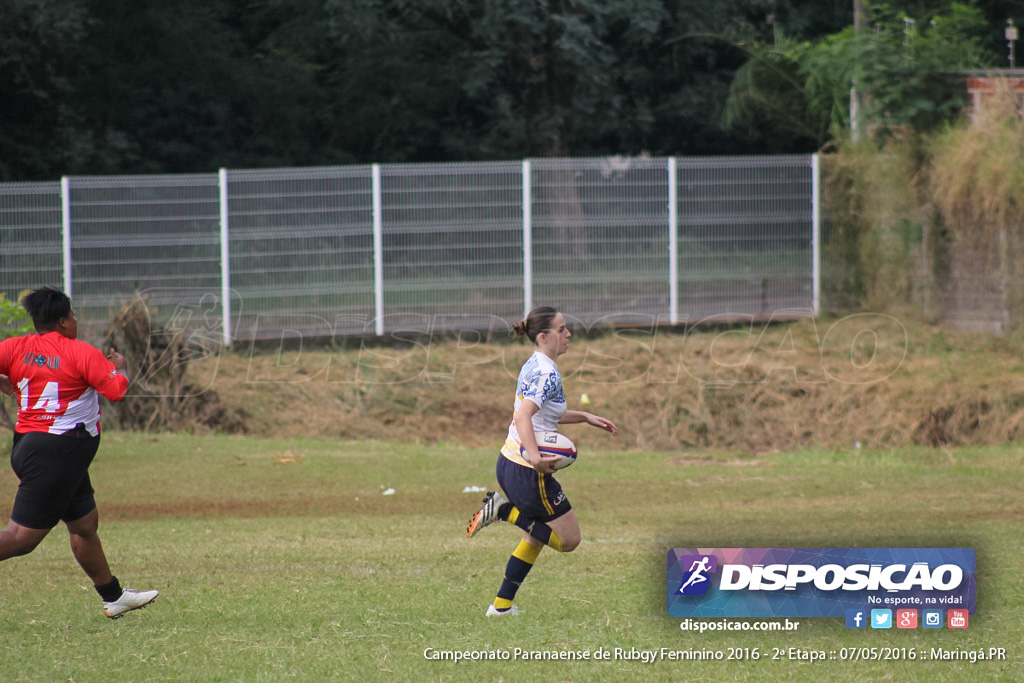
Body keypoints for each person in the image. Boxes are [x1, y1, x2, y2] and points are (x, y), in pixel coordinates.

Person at [0, 287, 158, 618]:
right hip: (57, 453)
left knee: (84, 524)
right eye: (71, 316)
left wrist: (9, 385)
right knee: (20, 539)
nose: (75, 321)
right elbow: (115, 392)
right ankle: (113, 597)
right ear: (62, 321)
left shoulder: (14, 347)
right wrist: (122, 368)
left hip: (36, 447)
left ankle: (113, 597)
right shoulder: (81, 352)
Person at [466, 306, 617, 616]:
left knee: (534, 535)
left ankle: (502, 606)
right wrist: (535, 457)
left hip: (509, 462)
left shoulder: (535, 364)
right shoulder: (546, 372)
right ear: (544, 336)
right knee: (567, 540)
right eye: (562, 329)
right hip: (526, 470)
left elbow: (544, 414)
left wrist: (585, 417)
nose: (569, 334)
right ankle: (504, 510)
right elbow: (523, 416)